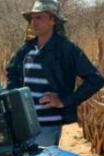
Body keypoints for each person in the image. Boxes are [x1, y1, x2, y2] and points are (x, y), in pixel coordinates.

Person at [6, 0, 104, 147]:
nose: (34, 22)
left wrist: (64, 101)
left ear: (53, 20)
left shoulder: (67, 49)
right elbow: (11, 73)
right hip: (23, 125)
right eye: (32, 18)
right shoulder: (26, 49)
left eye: (40, 17)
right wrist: (15, 102)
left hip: (48, 126)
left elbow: (95, 79)